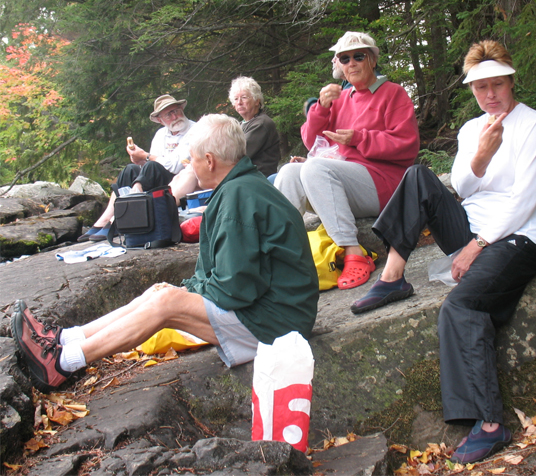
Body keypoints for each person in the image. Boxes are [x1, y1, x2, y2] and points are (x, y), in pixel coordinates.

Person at [12, 114, 319, 393]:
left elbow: (234, 289)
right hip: (273, 313)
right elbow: (229, 281)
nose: (190, 165)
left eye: (192, 159)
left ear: (209, 161)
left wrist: (185, 293)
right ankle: (65, 338)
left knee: (165, 301)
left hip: (277, 326)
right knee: (162, 293)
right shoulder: (240, 187)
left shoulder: (238, 198)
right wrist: (184, 290)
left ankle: (63, 363)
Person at [353, 40, 536, 463]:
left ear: (510, 81)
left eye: (498, 85)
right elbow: (463, 187)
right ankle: (392, 276)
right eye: (481, 89)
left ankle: (491, 423)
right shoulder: (470, 129)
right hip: (473, 227)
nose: (490, 96)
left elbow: (526, 199)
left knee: (460, 308)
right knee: (417, 177)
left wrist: (476, 247)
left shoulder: (533, 124)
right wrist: (481, 153)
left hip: (521, 235)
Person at [275, 31, 419, 290]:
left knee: (314, 167)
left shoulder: (393, 93)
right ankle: (282, 255)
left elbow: (407, 145)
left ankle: (355, 253)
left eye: (358, 56)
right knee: (288, 172)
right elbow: (311, 141)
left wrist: (360, 138)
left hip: (385, 184)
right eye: (344, 58)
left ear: (372, 60)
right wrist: (320, 107)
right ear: (339, 66)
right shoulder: (342, 98)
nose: (351, 63)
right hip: (345, 184)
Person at [78, 94, 197, 242]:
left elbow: (175, 165)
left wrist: (146, 156)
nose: (175, 116)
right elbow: (151, 164)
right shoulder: (161, 134)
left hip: (181, 183)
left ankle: (121, 217)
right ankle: (105, 220)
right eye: (169, 114)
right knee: (130, 169)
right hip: (161, 182)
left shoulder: (195, 130)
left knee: (151, 165)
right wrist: (139, 159)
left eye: (177, 111)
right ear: (160, 120)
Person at [229, 76, 281, 177]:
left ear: (257, 101)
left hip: (257, 180)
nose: (239, 102)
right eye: (236, 99)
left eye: (244, 97)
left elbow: (237, 155)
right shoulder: (241, 125)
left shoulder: (262, 124)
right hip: (244, 178)